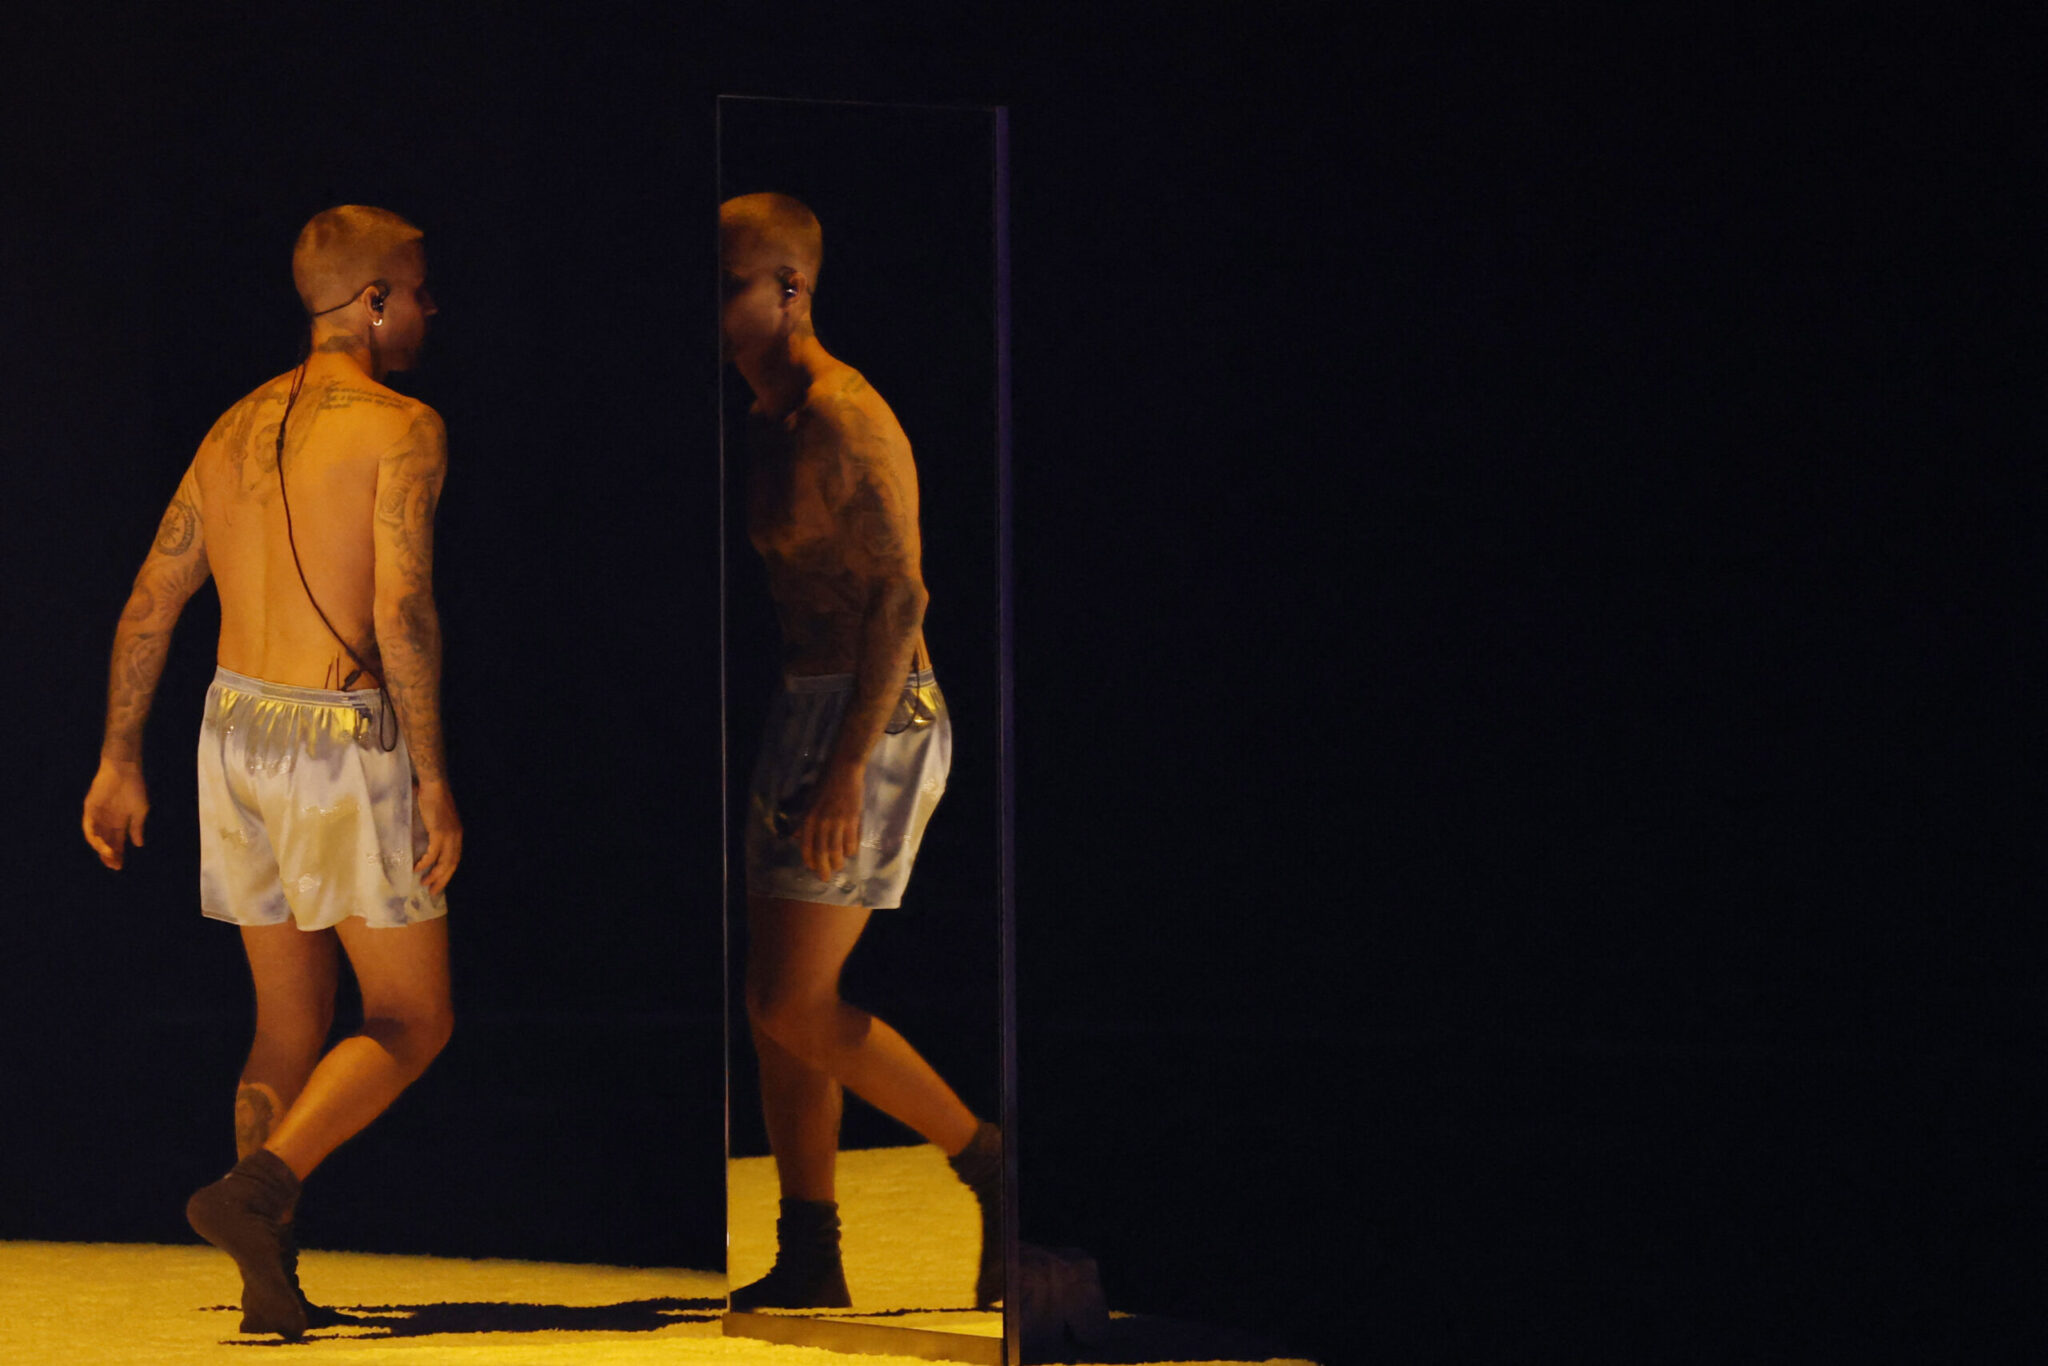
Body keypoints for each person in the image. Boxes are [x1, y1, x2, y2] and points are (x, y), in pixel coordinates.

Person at [80, 205, 461, 1340]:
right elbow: (401, 607)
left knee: (287, 1023)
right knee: (413, 1018)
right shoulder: (404, 426)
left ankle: (268, 1275)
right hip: (339, 736)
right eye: (418, 290)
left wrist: (118, 756)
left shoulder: (231, 426)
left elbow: (151, 599)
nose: (429, 308)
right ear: (373, 301)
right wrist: (432, 776)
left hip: (231, 729)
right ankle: (257, 1189)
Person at [720, 192, 1003, 1311]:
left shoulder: (844, 414)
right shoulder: (768, 418)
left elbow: (901, 596)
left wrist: (846, 766)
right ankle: (811, 1250)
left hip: (874, 716)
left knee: (790, 1001)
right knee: (774, 1002)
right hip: (807, 705)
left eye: (731, 285)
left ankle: (985, 1155)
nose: (714, 309)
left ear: (791, 289)